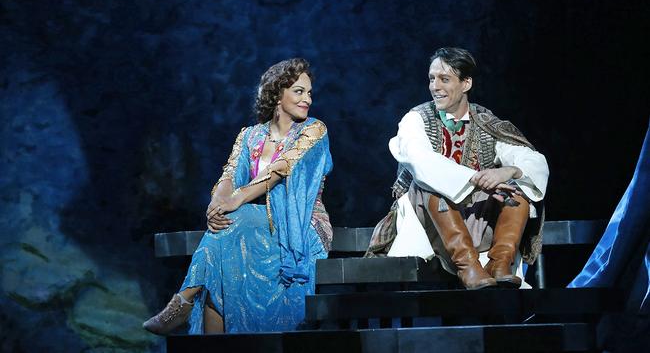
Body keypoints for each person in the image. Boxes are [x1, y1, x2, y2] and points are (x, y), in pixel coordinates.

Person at [143, 58, 333, 334]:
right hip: (252, 225)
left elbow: (283, 168)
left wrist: (237, 199)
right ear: (277, 94)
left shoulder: (313, 130)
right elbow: (229, 175)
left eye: (309, 93)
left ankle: (182, 302)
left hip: (300, 225)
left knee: (235, 220)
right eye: (299, 91)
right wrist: (216, 205)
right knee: (223, 255)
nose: (308, 100)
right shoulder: (250, 136)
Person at [366, 47, 549, 290]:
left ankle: (499, 263)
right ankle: (468, 267)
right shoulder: (417, 118)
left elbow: (531, 159)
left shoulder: (485, 121)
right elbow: (419, 160)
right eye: (432, 79)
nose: (435, 86)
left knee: (518, 189)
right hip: (430, 225)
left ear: (466, 83)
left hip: (476, 219)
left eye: (444, 79)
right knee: (429, 184)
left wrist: (510, 171)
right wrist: (474, 178)